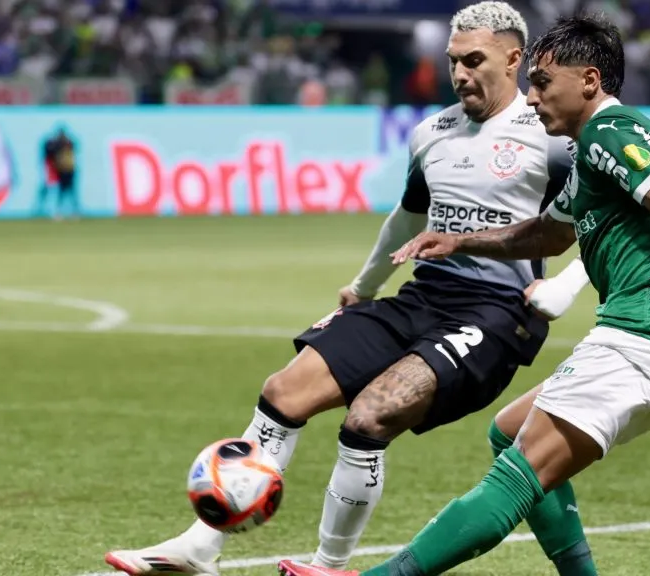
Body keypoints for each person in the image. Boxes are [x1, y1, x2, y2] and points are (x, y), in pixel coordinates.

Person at [106, 2, 599, 575]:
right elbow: (406, 219)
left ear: (513, 60)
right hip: (425, 296)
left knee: (369, 417)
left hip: (496, 315)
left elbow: (606, 218)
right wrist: (362, 288)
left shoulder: (551, 137)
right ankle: (199, 546)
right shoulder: (432, 132)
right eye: (452, 61)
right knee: (285, 390)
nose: (460, 73)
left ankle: (329, 565)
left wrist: (564, 287)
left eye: (474, 60)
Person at [278, 13, 650, 576]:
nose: (533, 95)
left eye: (543, 82)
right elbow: (547, 234)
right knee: (509, 431)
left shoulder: (611, 130)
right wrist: (461, 240)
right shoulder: (588, 154)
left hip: (644, 342)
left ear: (589, 81)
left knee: (515, 478)